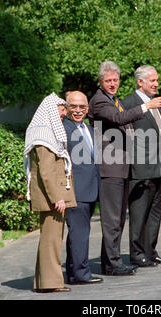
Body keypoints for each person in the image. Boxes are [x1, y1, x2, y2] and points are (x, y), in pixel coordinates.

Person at [88, 60, 161, 276]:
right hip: (110, 167)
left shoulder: (113, 100)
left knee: (118, 220)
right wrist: (146, 107)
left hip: (121, 166)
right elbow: (118, 118)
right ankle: (114, 264)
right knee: (113, 220)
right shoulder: (100, 101)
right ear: (100, 81)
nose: (113, 84)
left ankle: (110, 262)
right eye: (108, 80)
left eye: (115, 80)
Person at [24, 92, 77, 293]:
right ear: (50, 110)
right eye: (61, 110)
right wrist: (58, 198)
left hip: (50, 197)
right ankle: (50, 283)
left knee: (50, 239)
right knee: (51, 240)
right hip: (51, 198)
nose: (64, 114)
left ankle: (45, 282)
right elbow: (46, 172)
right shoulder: (43, 135)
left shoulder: (44, 132)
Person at [121, 65, 161, 267]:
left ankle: (150, 251)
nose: (157, 84)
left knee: (155, 212)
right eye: (152, 80)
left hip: (158, 168)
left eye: (157, 80)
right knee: (139, 212)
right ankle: (137, 253)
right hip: (140, 170)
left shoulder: (156, 104)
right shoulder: (128, 104)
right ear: (140, 82)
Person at [63, 91, 103, 285]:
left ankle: (73, 272)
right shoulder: (63, 129)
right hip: (75, 191)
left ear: (88, 109)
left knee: (78, 234)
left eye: (82, 107)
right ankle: (81, 274)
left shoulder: (88, 128)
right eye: (74, 107)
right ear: (67, 107)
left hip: (91, 189)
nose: (78, 111)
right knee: (79, 234)